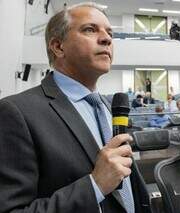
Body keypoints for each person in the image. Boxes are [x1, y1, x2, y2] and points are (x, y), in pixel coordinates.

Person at [0, 3, 149, 213]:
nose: (107, 38)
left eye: (109, 32)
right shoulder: (16, 112)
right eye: (90, 29)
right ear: (58, 46)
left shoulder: (108, 107)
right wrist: (94, 186)